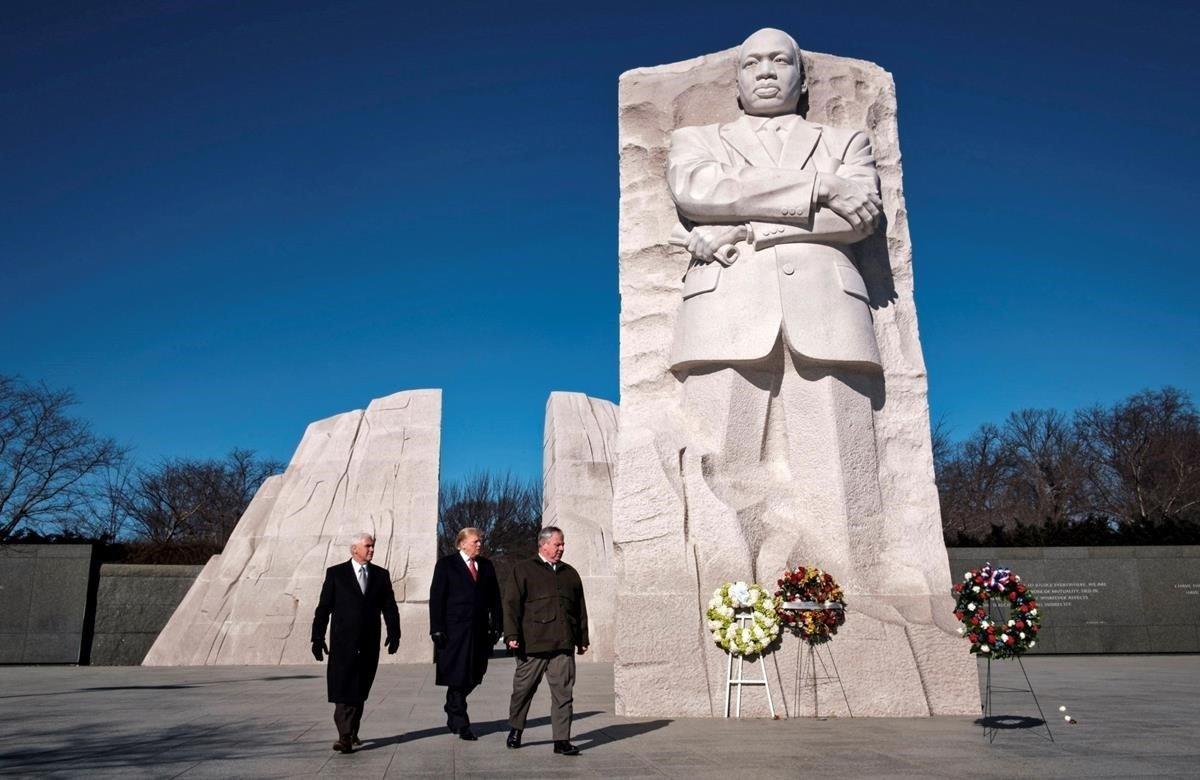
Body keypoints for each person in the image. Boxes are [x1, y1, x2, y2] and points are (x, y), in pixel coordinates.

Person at [664, 27, 899, 590]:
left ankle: (855, 597)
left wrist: (740, 224)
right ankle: (724, 606)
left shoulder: (847, 142)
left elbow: (856, 221)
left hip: (827, 315)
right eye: (752, 63)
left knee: (841, 476)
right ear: (738, 81)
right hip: (725, 312)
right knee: (720, 470)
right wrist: (818, 188)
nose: (766, 71)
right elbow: (698, 193)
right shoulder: (698, 139)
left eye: (779, 61)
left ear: (801, 77)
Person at [311, 532, 401, 754]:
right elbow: (323, 608)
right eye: (368, 546)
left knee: (360, 689)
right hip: (343, 643)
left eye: (372, 546)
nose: (371, 550)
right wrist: (317, 637)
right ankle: (344, 736)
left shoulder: (381, 575)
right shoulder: (336, 574)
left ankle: (352, 730)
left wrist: (394, 632)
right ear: (354, 549)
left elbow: (389, 606)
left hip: (369, 642)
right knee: (343, 689)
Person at [502, 526, 588, 756]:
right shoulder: (523, 570)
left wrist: (582, 638)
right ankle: (516, 729)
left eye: (563, 544)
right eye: (557, 544)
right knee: (523, 690)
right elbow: (510, 605)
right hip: (533, 644)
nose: (561, 548)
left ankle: (561, 740)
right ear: (543, 544)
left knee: (563, 694)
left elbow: (580, 609)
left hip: (563, 644)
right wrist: (511, 636)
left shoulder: (570, 573)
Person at [428, 527, 503, 741]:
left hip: (479, 631)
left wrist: (497, 626)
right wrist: (436, 628)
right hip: (454, 631)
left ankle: (452, 703)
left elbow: (495, 599)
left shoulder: (487, 566)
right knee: (458, 674)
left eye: (481, 541)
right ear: (461, 543)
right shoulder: (446, 565)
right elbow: (437, 598)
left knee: (476, 673)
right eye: (475, 541)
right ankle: (461, 723)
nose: (479, 544)